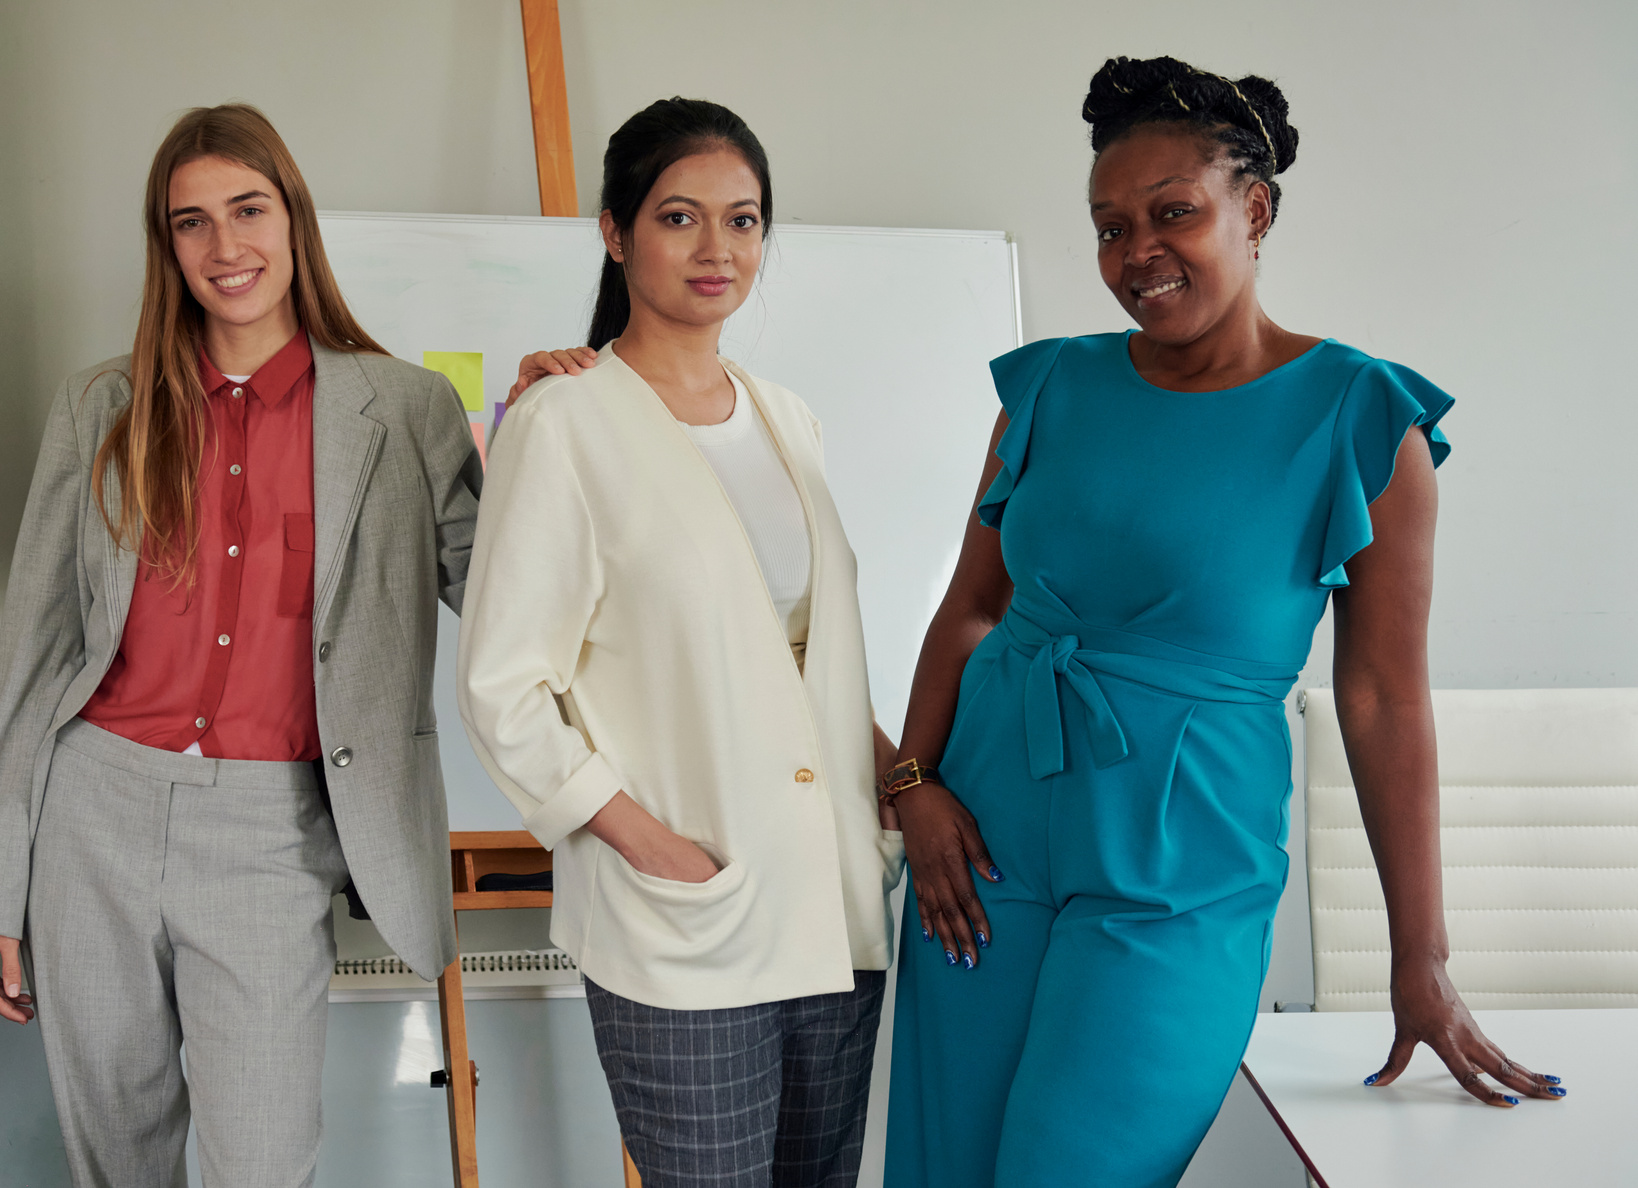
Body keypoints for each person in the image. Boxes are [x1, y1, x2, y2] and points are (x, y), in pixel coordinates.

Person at [879, 57, 1562, 1188]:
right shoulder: (1046, 389)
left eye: (1172, 214)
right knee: (948, 1167)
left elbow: (1382, 699)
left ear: (1256, 210)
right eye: (1110, 229)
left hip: (1184, 862)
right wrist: (913, 784)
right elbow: (974, 609)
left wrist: (1422, 957)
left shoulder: (1360, 417)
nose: (1136, 252)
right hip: (984, 841)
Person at [0, 104, 482, 1187]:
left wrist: (574, 423)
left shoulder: (408, 410)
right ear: (167, 245)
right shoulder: (101, 406)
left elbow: (507, 598)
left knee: (263, 1163)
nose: (224, 245)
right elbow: (35, 656)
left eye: (248, 209)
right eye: (190, 221)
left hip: (270, 831)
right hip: (91, 816)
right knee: (117, 1165)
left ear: (293, 219)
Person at [459, 97, 905, 1188]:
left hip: (831, 908)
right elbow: (504, 686)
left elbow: (807, 657)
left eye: (743, 220)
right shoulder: (563, 422)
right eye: (679, 217)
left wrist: (898, 788)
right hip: (685, 922)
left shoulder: (786, 418)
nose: (718, 249)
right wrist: (653, 848)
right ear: (615, 233)